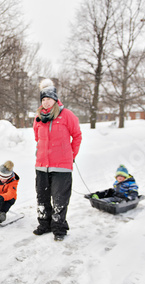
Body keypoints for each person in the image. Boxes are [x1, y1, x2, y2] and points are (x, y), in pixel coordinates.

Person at [33, 79, 82, 241]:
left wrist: (71, 155)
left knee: (60, 199)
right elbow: (37, 137)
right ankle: (44, 224)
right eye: (43, 99)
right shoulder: (39, 117)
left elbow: (77, 136)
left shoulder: (66, 115)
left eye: (48, 99)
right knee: (42, 198)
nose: (45, 102)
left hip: (62, 166)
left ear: (55, 99)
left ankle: (59, 228)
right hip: (41, 166)